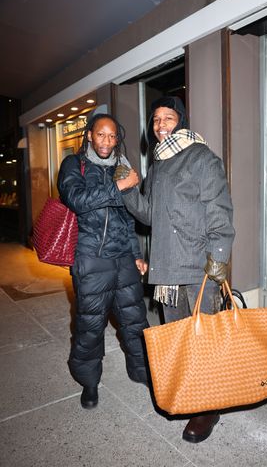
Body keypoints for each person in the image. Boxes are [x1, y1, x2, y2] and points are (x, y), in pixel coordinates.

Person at [114, 96, 235, 443]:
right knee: (180, 341)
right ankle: (189, 394)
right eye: (155, 120)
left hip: (199, 267)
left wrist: (219, 258)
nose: (160, 124)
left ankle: (208, 408)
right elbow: (151, 215)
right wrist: (128, 189)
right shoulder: (159, 165)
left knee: (202, 342)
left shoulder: (201, 158)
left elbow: (219, 209)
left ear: (180, 121)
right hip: (168, 268)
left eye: (168, 118)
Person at [57, 111, 149, 410]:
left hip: (123, 257)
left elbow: (127, 219)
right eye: (101, 135)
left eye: (112, 136)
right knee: (90, 325)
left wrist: (136, 255)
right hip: (91, 258)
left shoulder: (121, 167)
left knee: (135, 320)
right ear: (89, 135)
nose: (107, 141)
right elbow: (78, 201)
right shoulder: (75, 164)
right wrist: (119, 187)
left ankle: (142, 371)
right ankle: (90, 382)